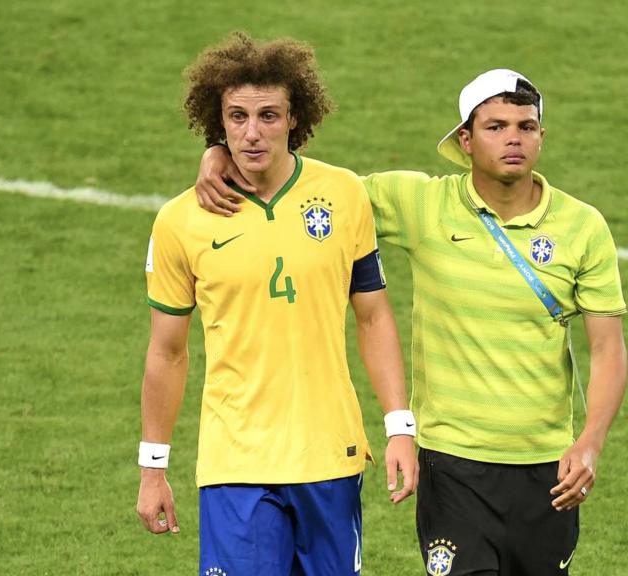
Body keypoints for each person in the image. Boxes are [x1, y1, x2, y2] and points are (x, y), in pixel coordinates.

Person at [195, 68, 628, 575]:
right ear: (464, 140)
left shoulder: (583, 226)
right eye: (495, 126)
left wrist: (591, 440)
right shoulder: (425, 204)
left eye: (526, 126)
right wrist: (221, 150)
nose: (513, 138)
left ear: (541, 136)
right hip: (451, 464)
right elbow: (311, 188)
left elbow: (607, 349)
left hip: (547, 466)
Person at [135, 32, 417, 576]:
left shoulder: (343, 194)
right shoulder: (179, 220)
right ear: (217, 122)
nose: (252, 132)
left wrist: (400, 426)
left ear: (295, 118)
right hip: (234, 462)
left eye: (269, 115)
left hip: (329, 455)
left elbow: (374, 315)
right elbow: (167, 352)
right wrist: (153, 467)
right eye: (236, 117)